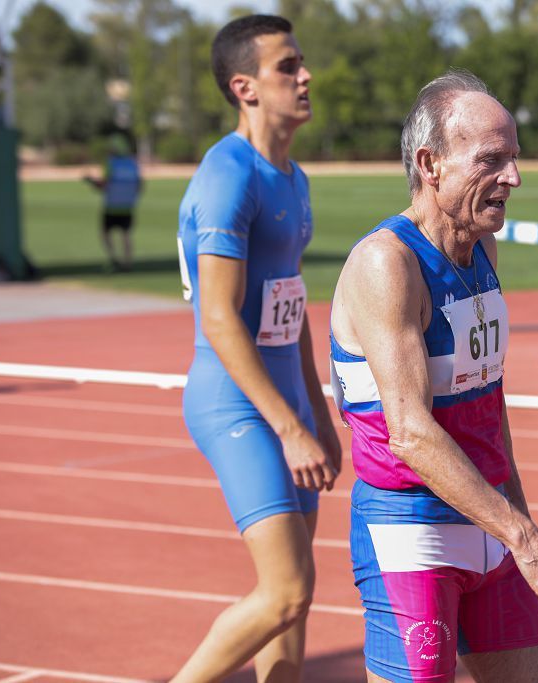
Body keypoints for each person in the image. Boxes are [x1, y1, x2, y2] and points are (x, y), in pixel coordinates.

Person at [329, 70, 538, 683]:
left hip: (490, 525)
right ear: (430, 164)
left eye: (515, 158)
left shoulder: (481, 250)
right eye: (491, 160)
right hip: (412, 536)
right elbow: (411, 433)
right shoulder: (386, 264)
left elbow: (487, 403)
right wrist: (527, 540)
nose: (514, 178)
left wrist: (520, 524)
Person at [174, 14, 341, 683]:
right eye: (287, 67)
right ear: (244, 87)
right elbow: (220, 318)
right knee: (287, 590)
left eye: (302, 63)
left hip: (287, 402)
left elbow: (288, 308)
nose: (305, 77)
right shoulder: (228, 177)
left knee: (294, 602)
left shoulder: (292, 178)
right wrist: (288, 426)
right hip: (235, 404)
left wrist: (317, 414)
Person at [84, 132, 141, 272]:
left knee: (105, 233)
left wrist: (91, 181)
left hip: (112, 206)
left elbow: (104, 184)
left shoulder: (111, 164)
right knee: (126, 235)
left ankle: (114, 259)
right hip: (128, 205)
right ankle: (128, 263)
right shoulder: (132, 164)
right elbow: (140, 185)